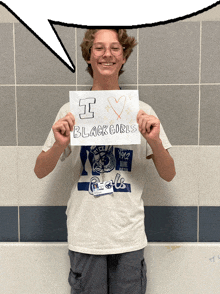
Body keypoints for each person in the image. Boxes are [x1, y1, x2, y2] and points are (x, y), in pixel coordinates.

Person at [34, 29, 176, 294]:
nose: (107, 54)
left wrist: (155, 141)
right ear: (88, 56)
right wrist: (59, 145)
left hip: (128, 238)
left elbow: (168, 174)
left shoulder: (143, 112)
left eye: (115, 48)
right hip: (85, 238)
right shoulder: (70, 112)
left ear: (124, 57)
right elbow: (40, 170)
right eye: (99, 48)